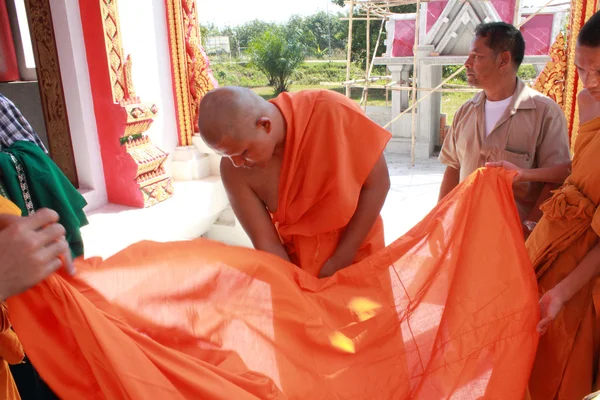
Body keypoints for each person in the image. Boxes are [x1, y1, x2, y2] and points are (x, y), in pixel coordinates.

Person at [488, 11, 600, 399]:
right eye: (583, 69)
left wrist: (562, 293)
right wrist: (523, 175)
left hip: (586, 269)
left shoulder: (541, 109)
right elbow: (577, 173)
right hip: (551, 240)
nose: (591, 82)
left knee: (561, 366)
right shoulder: (588, 102)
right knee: (518, 352)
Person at [198, 87, 391, 278]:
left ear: (265, 125)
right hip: (294, 269)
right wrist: (297, 286)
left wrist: (341, 259)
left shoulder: (332, 111)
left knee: (367, 309)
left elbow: (377, 185)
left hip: (357, 255)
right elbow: (267, 243)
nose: (238, 163)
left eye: (243, 153)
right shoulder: (234, 170)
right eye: (227, 155)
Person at [438, 22, 571, 237]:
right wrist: (440, 219)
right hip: (464, 232)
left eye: (477, 56)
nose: (466, 63)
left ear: (504, 60)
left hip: (512, 238)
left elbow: (558, 177)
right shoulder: (465, 112)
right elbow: (453, 168)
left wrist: (529, 226)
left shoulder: (545, 112)